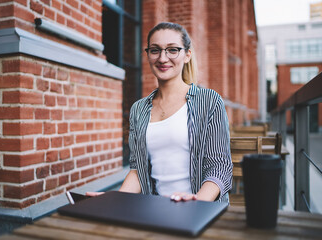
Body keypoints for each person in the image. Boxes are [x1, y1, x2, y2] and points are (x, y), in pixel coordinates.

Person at [87, 22, 232, 203]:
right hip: (155, 210)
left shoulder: (209, 101)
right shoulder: (138, 109)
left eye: (172, 50)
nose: (163, 58)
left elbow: (220, 167)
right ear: (147, 55)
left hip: (201, 209)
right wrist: (115, 198)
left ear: (187, 55)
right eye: (155, 50)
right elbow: (138, 171)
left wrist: (197, 203)